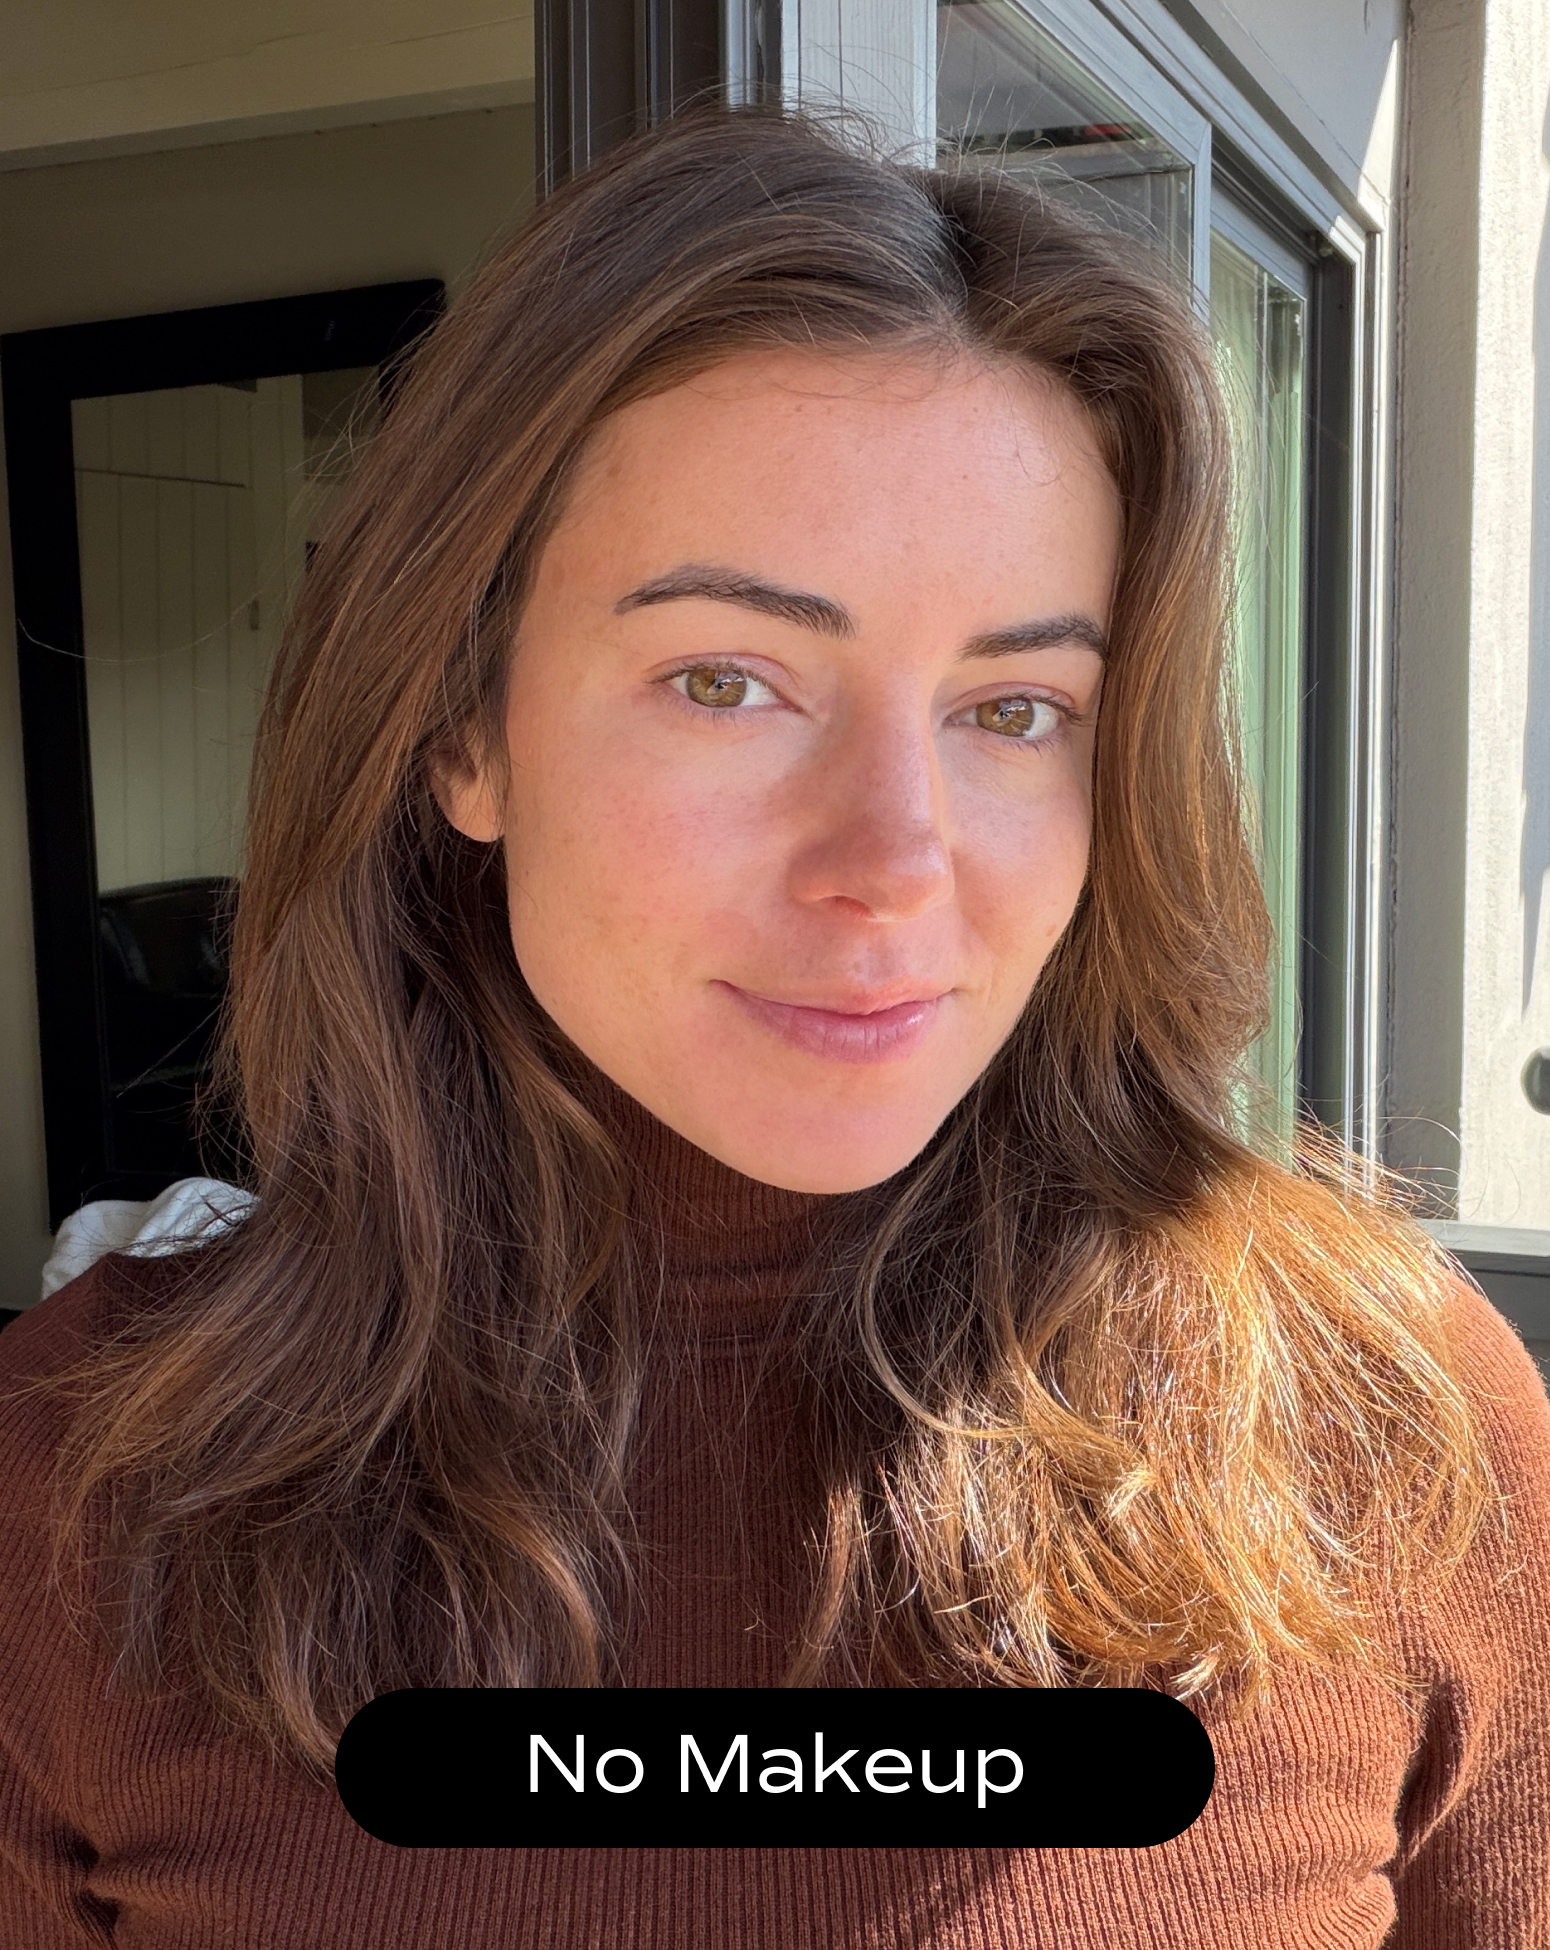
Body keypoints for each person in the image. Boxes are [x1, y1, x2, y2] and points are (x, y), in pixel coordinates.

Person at [2, 108, 1548, 1949]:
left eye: (1016, 707)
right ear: (461, 732)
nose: (894, 866)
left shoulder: (1382, 1424)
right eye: (725, 680)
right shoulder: (82, 1477)